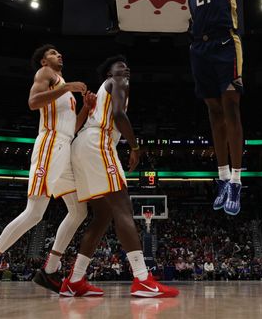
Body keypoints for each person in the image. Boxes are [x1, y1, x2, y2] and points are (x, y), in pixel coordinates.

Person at [0, 45, 93, 298]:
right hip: (50, 145)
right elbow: (32, 102)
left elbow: (73, 127)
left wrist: (86, 109)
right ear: (42, 60)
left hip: (64, 146)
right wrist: (68, 87)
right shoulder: (46, 74)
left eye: (59, 52)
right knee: (34, 212)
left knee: (79, 210)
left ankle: (49, 270)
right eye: (53, 52)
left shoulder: (62, 86)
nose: (59, 55)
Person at [61, 56, 177, 298]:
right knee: (123, 206)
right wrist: (135, 147)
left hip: (80, 146)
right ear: (109, 73)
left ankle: (74, 280)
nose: (126, 68)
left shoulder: (106, 89)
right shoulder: (118, 82)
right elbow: (118, 115)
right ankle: (143, 279)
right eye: (119, 65)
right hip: (98, 143)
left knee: (102, 215)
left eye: (128, 66)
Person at [162, 0, 244, 215]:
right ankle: (223, 178)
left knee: (232, 107)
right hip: (199, 48)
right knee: (213, 111)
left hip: (226, 42)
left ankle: (237, 182)